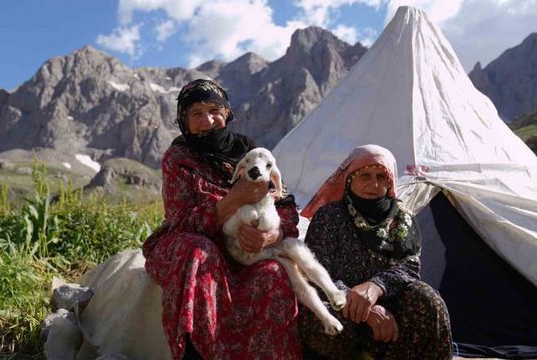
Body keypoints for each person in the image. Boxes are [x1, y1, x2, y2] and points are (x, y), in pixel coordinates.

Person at [142, 79, 302, 360]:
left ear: (227, 113)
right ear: (184, 120)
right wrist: (234, 200)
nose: (207, 120)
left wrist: (271, 236)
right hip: (191, 249)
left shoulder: (251, 153)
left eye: (215, 110)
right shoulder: (178, 159)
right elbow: (180, 222)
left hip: (242, 254)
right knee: (199, 252)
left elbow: (287, 208)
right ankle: (196, 354)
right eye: (196, 114)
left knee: (274, 274)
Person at [298, 144, 453, 360]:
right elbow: (317, 273)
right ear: (350, 179)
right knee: (316, 317)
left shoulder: (401, 218)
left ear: (390, 181)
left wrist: (376, 287)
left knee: (428, 299)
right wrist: (360, 306)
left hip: (388, 301)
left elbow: (408, 267)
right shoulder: (329, 216)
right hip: (340, 302)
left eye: (382, 176)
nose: (374, 184)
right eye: (365, 176)